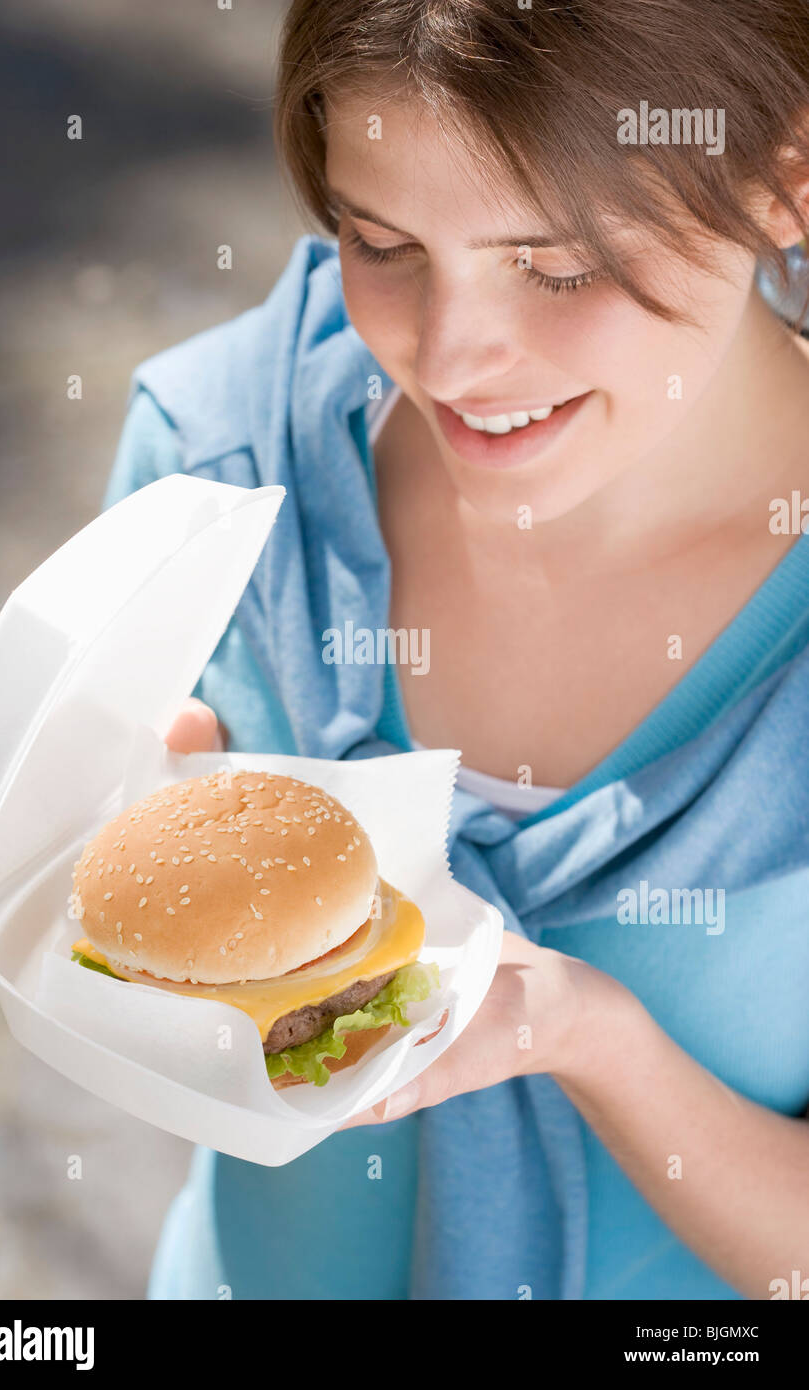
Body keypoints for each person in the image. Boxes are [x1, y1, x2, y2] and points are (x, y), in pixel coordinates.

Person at [103, 0, 809, 1300]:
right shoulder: (211, 472)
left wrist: (592, 1041)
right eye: (381, 244)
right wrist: (120, 914)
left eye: (557, 264)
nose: (451, 355)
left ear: (782, 178)